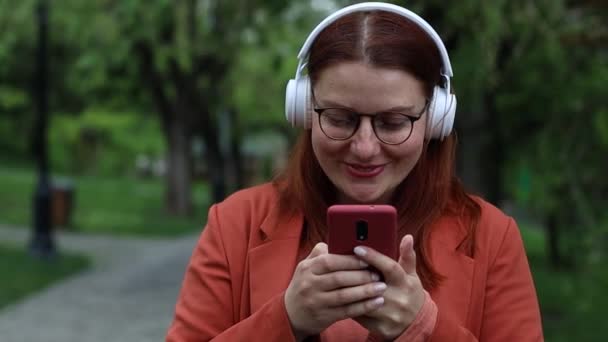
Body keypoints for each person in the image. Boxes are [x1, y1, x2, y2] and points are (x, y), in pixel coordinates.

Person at [166, 2, 543, 341]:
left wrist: (426, 329)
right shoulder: (235, 224)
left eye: (393, 122)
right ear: (304, 111)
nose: (364, 148)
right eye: (340, 118)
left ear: (436, 120)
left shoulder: (491, 237)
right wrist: (285, 321)